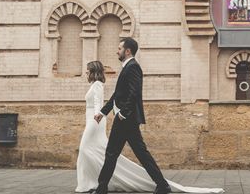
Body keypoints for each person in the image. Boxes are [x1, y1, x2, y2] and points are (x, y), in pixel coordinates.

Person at [86, 40, 224, 194]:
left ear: (128, 51)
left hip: (126, 119)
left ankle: (102, 188)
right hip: (125, 118)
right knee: (136, 153)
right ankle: (161, 185)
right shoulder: (127, 67)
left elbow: (134, 93)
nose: (116, 51)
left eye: (119, 48)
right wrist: (104, 112)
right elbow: (117, 95)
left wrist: (123, 114)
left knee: (114, 153)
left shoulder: (133, 67)